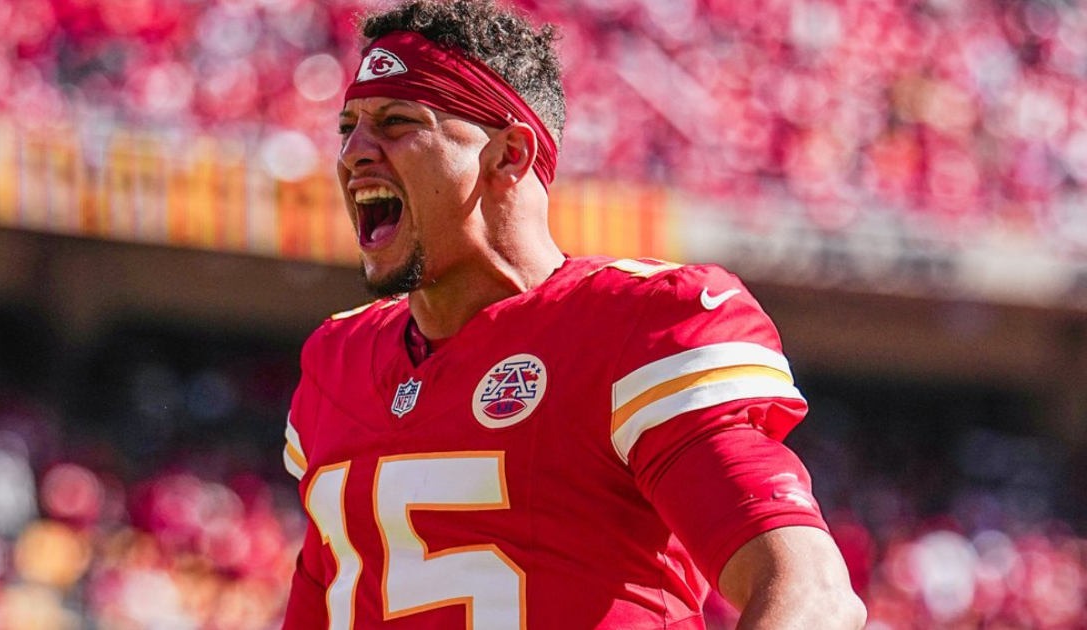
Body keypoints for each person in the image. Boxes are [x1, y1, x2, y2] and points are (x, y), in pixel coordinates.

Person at [281, 1, 867, 628]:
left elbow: (811, 596)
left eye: (398, 122)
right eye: (348, 127)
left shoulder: (634, 325)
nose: (353, 153)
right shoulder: (336, 361)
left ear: (509, 155)